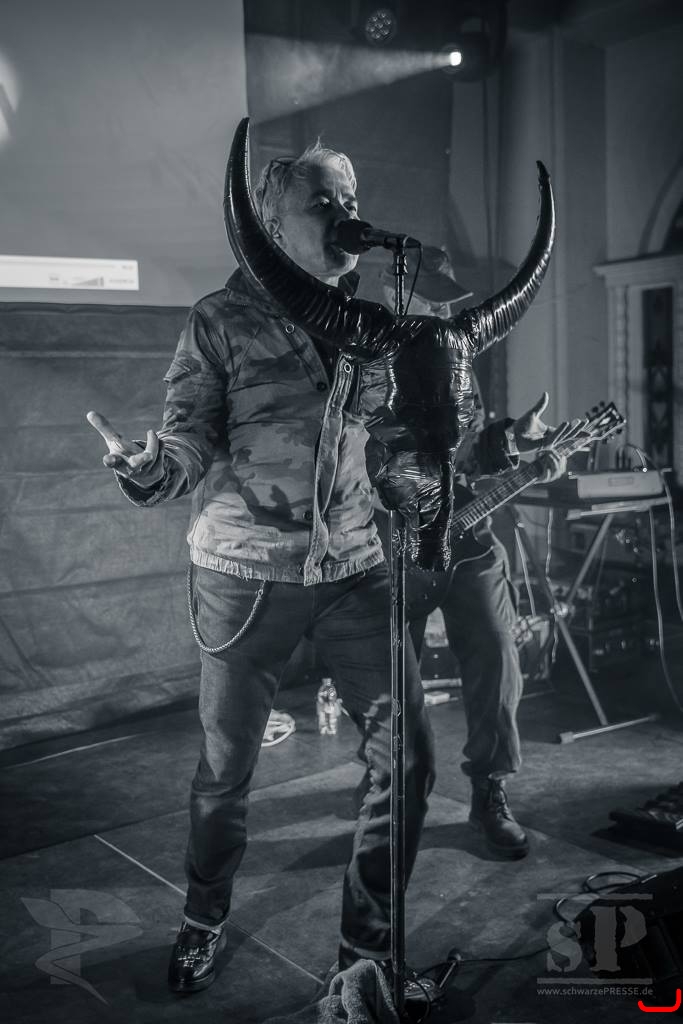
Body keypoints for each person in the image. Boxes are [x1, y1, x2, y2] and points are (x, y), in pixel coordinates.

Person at [87, 139, 436, 993]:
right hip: (242, 571)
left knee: (407, 757)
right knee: (226, 770)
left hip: (354, 566)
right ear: (272, 226)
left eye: (350, 197)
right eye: (324, 202)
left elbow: (383, 436)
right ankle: (203, 917)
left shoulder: (368, 321)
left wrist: (412, 474)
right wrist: (148, 467)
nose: (345, 214)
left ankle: (365, 954)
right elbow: (187, 438)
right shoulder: (220, 318)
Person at [376, 247, 577, 860]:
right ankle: (390, 781)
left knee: (496, 652)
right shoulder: (364, 361)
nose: (445, 313)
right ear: (395, 299)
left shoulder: (457, 354)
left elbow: (466, 454)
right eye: (432, 301)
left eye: (448, 303)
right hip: (393, 540)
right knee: (393, 674)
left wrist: (513, 441)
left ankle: (489, 790)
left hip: (469, 538)